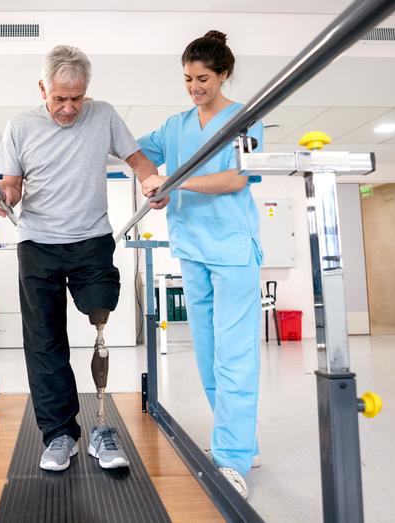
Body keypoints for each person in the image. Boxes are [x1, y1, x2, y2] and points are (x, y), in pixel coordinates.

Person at [0, 44, 163, 472]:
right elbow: (13, 184)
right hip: (38, 242)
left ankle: (102, 427)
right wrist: (3, 197)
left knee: (101, 313)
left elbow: (137, 159)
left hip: (91, 239)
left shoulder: (102, 114)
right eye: (59, 98)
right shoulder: (20, 126)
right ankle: (61, 433)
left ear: (87, 92)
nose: (69, 108)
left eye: (76, 98)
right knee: (45, 342)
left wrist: (150, 179)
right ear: (42, 87)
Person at [137, 30, 264, 499]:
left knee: (235, 356)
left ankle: (231, 458)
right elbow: (135, 150)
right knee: (209, 357)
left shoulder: (245, 118)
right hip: (191, 249)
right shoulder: (174, 126)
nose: (195, 86)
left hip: (232, 252)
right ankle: (241, 443)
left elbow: (236, 178)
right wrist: (150, 177)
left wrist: (175, 180)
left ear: (224, 74)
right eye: (188, 78)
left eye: (203, 78)